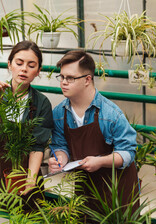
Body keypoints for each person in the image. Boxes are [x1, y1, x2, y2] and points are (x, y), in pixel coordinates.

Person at [49, 50, 140, 214]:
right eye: (61, 77)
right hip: (86, 188)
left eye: (70, 78)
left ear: (87, 80)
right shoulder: (58, 114)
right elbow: (59, 144)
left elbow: (128, 152)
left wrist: (100, 162)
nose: (63, 82)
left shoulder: (110, 114)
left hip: (118, 190)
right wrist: (60, 159)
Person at [0, 40, 53, 208]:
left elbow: (37, 147)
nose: (24, 69)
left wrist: (30, 181)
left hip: (23, 178)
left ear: (38, 71)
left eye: (31, 65)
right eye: (19, 63)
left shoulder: (41, 103)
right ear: (9, 64)